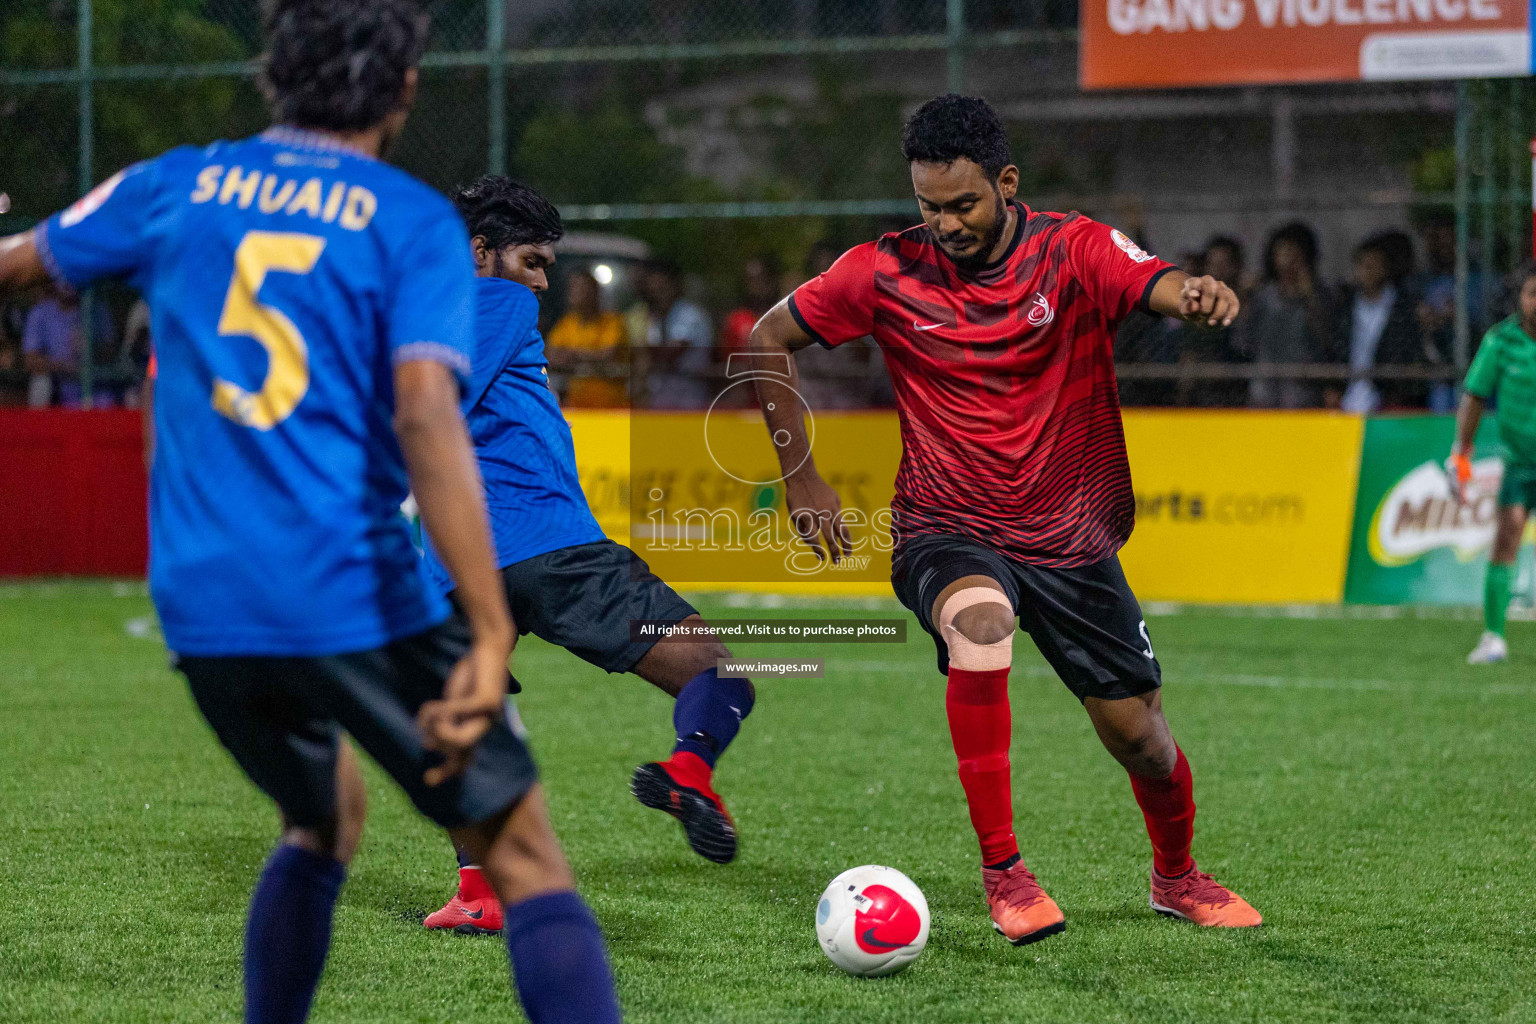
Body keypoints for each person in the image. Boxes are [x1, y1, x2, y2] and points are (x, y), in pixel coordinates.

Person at [0, 3, 622, 1022]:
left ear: (268, 77)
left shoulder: (175, 183)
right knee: (522, 849)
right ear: (405, 89)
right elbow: (427, 414)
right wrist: (490, 621)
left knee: (322, 818)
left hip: (202, 599)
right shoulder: (410, 219)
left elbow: (21, 264)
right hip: (344, 585)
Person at [748, 94, 1261, 946]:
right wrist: (801, 480)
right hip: (943, 524)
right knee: (981, 627)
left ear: (1007, 183)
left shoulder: (1072, 248)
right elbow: (768, 339)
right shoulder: (881, 271)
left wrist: (1194, 295)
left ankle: (1177, 877)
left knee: (1142, 739)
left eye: (962, 205)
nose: (944, 224)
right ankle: (1005, 875)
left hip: (1069, 535)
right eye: (928, 206)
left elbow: (1152, 281)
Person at [420, 176, 754, 935]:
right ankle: (689, 769)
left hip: (453, 564)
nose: (543, 281)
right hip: (550, 544)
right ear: (480, 252)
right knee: (717, 670)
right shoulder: (496, 302)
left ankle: (480, 891)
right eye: (532, 261)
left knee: (470, 721)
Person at [1447, 263, 1536, 666]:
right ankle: (1494, 637)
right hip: (1520, 465)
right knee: (1505, 543)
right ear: (1520, 297)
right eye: (1531, 293)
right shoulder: (1502, 341)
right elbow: (1474, 396)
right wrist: (1460, 451)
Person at [1236, 221, 1333, 409]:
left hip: (1302, 387)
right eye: (1283, 252)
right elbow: (1243, 341)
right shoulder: (1263, 295)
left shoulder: (1320, 295)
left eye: (1294, 253)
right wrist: (1244, 301)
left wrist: (1310, 298)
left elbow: (1327, 340)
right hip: (1264, 386)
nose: (1289, 259)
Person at [1332, 234, 1426, 412]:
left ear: (1386, 268)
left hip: (1387, 396)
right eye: (1363, 265)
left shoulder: (1403, 306)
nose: (1367, 272)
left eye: (1373, 265)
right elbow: (1336, 348)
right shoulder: (1345, 305)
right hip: (1348, 393)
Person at [545, 270, 627, 407]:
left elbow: (608, 354)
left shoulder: (613, 322)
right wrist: (588, 356)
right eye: (574, 288)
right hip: (577, 407)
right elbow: (550, 355)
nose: (578, 293)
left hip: (611, 407)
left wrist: (572, 355)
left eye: (584, 288)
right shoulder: (566, 324)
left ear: (596, 293)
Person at [638, 259, 713, 408]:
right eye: (653, 287)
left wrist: (641, 352)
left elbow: (671, 352)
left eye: (662, 286)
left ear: (675, 284)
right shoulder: (654, 318)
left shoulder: (690, 315)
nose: (657, 291)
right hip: (660, 400)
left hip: (689, 400)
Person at [22, 291, 112, 406]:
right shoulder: (40, 312)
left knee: (108, 396)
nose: (66, 284)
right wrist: (63, 366)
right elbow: (31, 360)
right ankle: (39, 423)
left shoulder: (98, 309)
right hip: (57, 387)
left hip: (93, 386)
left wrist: (89, 350)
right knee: (41, 383)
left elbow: (110, 354)